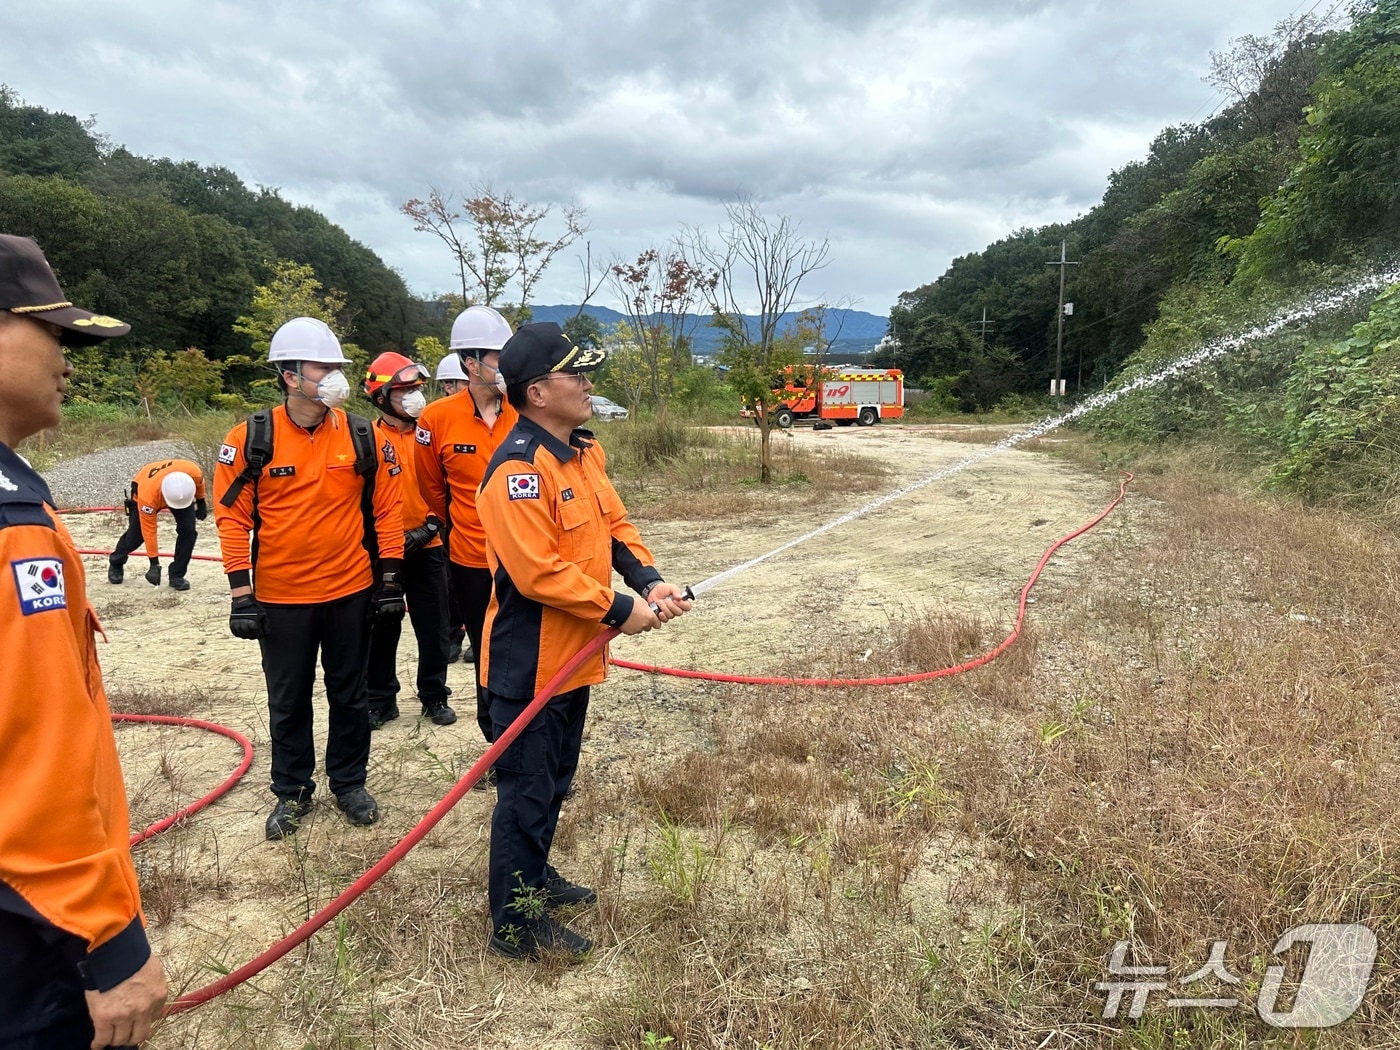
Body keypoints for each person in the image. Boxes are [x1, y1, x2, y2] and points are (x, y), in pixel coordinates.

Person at [478, 322, 692, 960]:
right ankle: (515, 924)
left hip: (575, 657)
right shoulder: (517, 470)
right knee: (526, 793)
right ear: (537, 392)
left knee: (554, 782)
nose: (588, 383)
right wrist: (621, 610)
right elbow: (537, 572)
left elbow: (614, 526)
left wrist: (648, 581)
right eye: (576, 374)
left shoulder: (582, 452)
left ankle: (536, 876)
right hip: (529, 662)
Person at [0, 234, 168, 1048]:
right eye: (53, 335)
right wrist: (109, 941)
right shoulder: (13, 528)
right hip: (30, 932)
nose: (68, 362)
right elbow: (34, 751)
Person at [213, 316, 406, 840]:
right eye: (323, 368)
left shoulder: (364, 436)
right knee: (289, 699)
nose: (334, 377)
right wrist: (241, 595)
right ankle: (292, 791)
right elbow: (232, 518)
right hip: (281, 599)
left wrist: (390, 580)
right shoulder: (251, 439)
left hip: (351, 592)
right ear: (289, 375)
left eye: (336, 367)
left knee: (350, 695)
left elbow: (388, 511)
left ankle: (350, 784)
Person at [414, 306, 519, 741]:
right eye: (499, 357)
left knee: (529, 650)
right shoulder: (436, 419)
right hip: (473, 560)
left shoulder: (527, 409)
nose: (508, 365)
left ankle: (528, 740)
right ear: (471, 363)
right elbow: (432, 489)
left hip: (528, 558)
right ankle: (496, 742)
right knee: (487, 652)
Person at [362, 352, 456, 727]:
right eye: (405, 391)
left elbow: (451, 486)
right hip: (382, 550)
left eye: (417, 389)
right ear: (381, 397)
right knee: (381, 625)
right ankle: (380, 699)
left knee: (434, 627)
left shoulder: (430, 435)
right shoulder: (365, 438)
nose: (415, 397)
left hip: (429, 545)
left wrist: (431, 527)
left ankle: (434, 695)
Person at [107, 458, 207, 591]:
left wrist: (201, 501)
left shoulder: (194, 472)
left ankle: (177, 575)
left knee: (189, 532)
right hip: (147, 485)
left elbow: (200, 484)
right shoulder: (147, 498)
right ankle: (116, 561)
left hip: (180, 493)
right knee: (136, 536)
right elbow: (149, 531)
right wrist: (154, 563)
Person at [432, 350, 470, 663]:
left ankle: (480, 637)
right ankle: (452, 635)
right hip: (449, 513)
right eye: (461, 383)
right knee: (450, 583)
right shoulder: (437, 419)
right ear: (448, 385)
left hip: (479, 514)